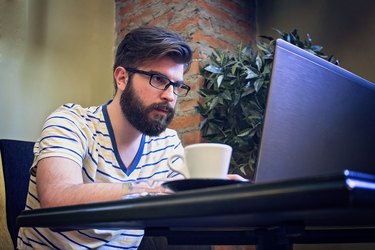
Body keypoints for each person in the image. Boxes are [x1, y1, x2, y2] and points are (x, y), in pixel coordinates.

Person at [17, 26, 193, 249]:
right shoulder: (71, 122)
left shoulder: (167, 143)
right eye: (158, 79)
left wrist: (221, 191)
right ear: (121, 78)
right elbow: (57, 199)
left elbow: (186, 202)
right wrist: (149, 189)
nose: (170, 95)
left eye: (177, 86)